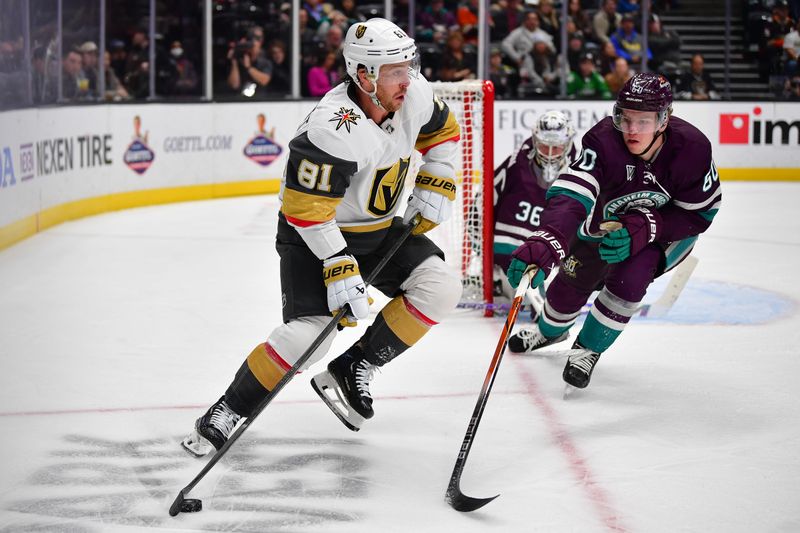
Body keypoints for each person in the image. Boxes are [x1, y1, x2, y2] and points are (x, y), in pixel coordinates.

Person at [181, 18, 463, 456]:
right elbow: (305, 210)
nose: (408, 77)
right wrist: (338, 263)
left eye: (409, 65)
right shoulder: (333, 126)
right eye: (395, 70)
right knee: (308, 338)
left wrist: (438, 177)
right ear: (363, 74)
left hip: (381, 230)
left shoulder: (415, 92)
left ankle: (355, 367)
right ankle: (228, 409)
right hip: (314, 236)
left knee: (441, 288)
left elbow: (442, 133)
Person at [505, 72, 722, 390]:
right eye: (625, 118)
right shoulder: (602, 140)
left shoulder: (693, 149)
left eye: (643, 121)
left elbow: (702, 213)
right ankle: (550, 332)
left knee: (630, 279)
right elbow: (572, 193)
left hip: (662, 238)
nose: (631, 130)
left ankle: (588, 348)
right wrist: (549, 236)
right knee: (568, 288)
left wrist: (651, 224)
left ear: (664, 120)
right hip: (602, 227)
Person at [491, 110, 577, 301]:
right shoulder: (516, 165)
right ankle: (496, 276)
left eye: (557, 148)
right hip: (511, 249)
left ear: (568, 144)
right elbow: (484, 205)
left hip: (553, 253)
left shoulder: (579, 172)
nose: (549, 154)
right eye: (545, 146)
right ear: (535, 141)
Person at [227, 27, 273, 98]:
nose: (251, 49)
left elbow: (264, 80)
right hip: (239, 100)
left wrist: (249, 68)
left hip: (260, 101)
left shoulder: (265, 60)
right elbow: (234, 85)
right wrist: (234, 60)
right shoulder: (239, 60)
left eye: (258, 39)